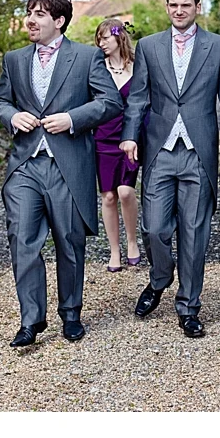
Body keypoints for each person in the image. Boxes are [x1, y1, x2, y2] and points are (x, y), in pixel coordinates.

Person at [119, 0, 220, 338]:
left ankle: (188, 307)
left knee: (194, 233)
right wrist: (129, 136)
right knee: (154, 228)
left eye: (186, 5)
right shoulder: (148, 46)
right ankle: (160, 277)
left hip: (198, 152)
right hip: (159, 150)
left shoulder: (219, 46)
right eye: (173, 5)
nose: (179, 11)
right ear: (167, 7)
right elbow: (138, 97)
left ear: (197, 7)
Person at [0, 0, 122, 346]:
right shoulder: (14, 60)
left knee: (69, 240)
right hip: (25, 165)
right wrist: (11, 115)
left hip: (68, 164)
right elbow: (0, 100)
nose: (30, 20)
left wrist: (72, 118)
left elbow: (111, 102)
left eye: (39, 14)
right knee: (22, 239)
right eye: (29, 12)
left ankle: (71, 314)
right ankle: (31, 321)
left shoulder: (86, 57)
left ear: (59, 21)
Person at [93, 19, 142, 272]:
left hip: (130, 137)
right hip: (103, 138)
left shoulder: (138, 66)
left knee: (125, 191)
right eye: (98, 39)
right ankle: (114, 250)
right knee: (109, 196)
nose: (101, 43)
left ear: (119, 37)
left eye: (105, 38)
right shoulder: (96, 68)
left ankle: (132, 241)